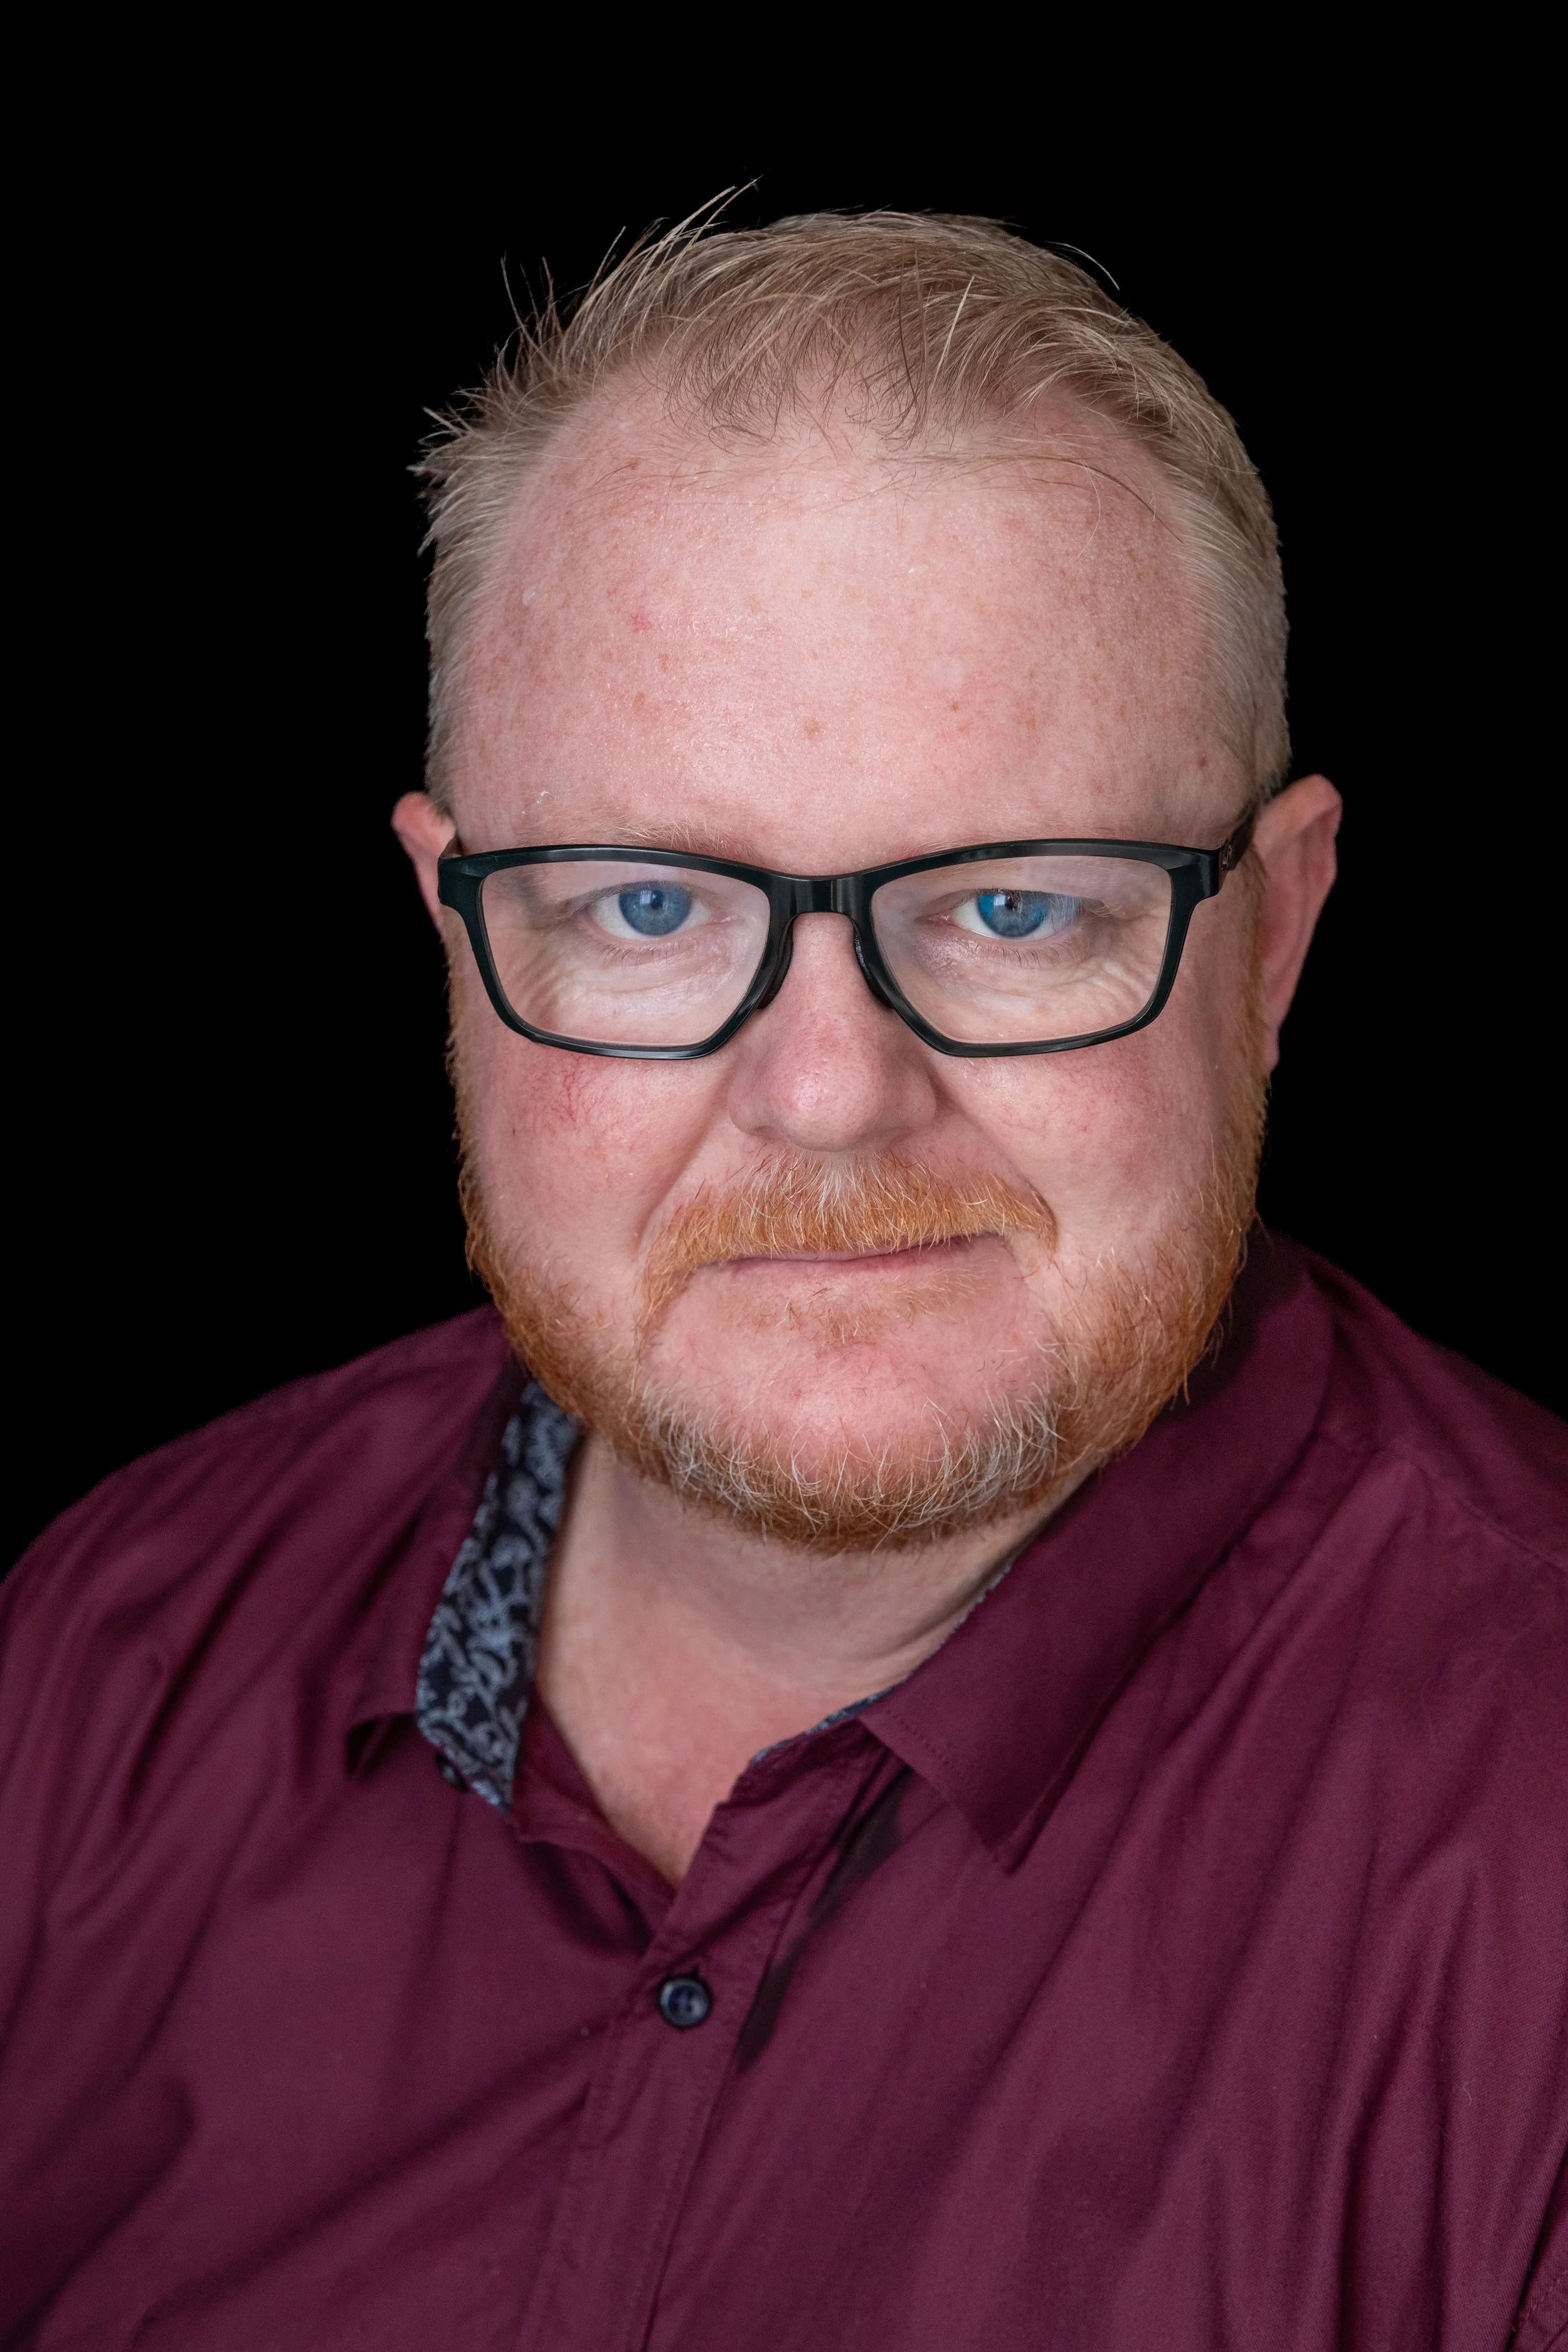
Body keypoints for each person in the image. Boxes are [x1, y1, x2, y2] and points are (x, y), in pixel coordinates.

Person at [3, 211, 1564, 2352]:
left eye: (1014, 908)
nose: (828, 1096)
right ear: (454, 941)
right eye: (647, 904)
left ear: (1272, 940)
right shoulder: (94, 1664)